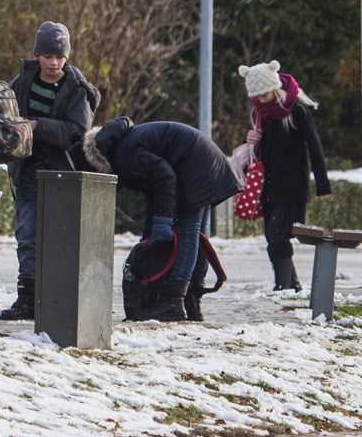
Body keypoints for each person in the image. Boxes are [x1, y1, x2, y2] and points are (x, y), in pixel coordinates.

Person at [69, 116, 238, 321]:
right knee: (196, 235)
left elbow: (165, 178)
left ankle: (173, 301)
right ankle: (192, 302)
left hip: (196, 167)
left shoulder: (126, 154)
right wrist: (153, 228)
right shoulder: (120, 145)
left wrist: (162, 222)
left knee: (188, 231)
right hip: (203, 162)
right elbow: (154, 191)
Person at [2, 21, 100, 320]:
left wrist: (36, 126)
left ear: (67, 57)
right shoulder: (21, 83)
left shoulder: (78, 90)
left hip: (62, 175)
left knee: (60, 239)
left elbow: (76, 132)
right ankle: (27, 299)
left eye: (59, 56)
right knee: (27, 236)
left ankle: (58, 299)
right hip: (27, 172)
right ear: (37, 55)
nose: (54, 62)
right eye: (47, 56)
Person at [241, 60, 333, 291]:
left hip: (293, 184)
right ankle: (290, 284)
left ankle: (284, 285)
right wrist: (254, 141)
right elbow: (265, 151)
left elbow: (314, 146)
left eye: (264, 94)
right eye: (256, 96)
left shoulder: (296, 110)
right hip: (269, 184)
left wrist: (323, 184)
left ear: (273, 88)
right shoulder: (261, 114)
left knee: (278, 233)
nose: (260, 100)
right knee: (271, 235)